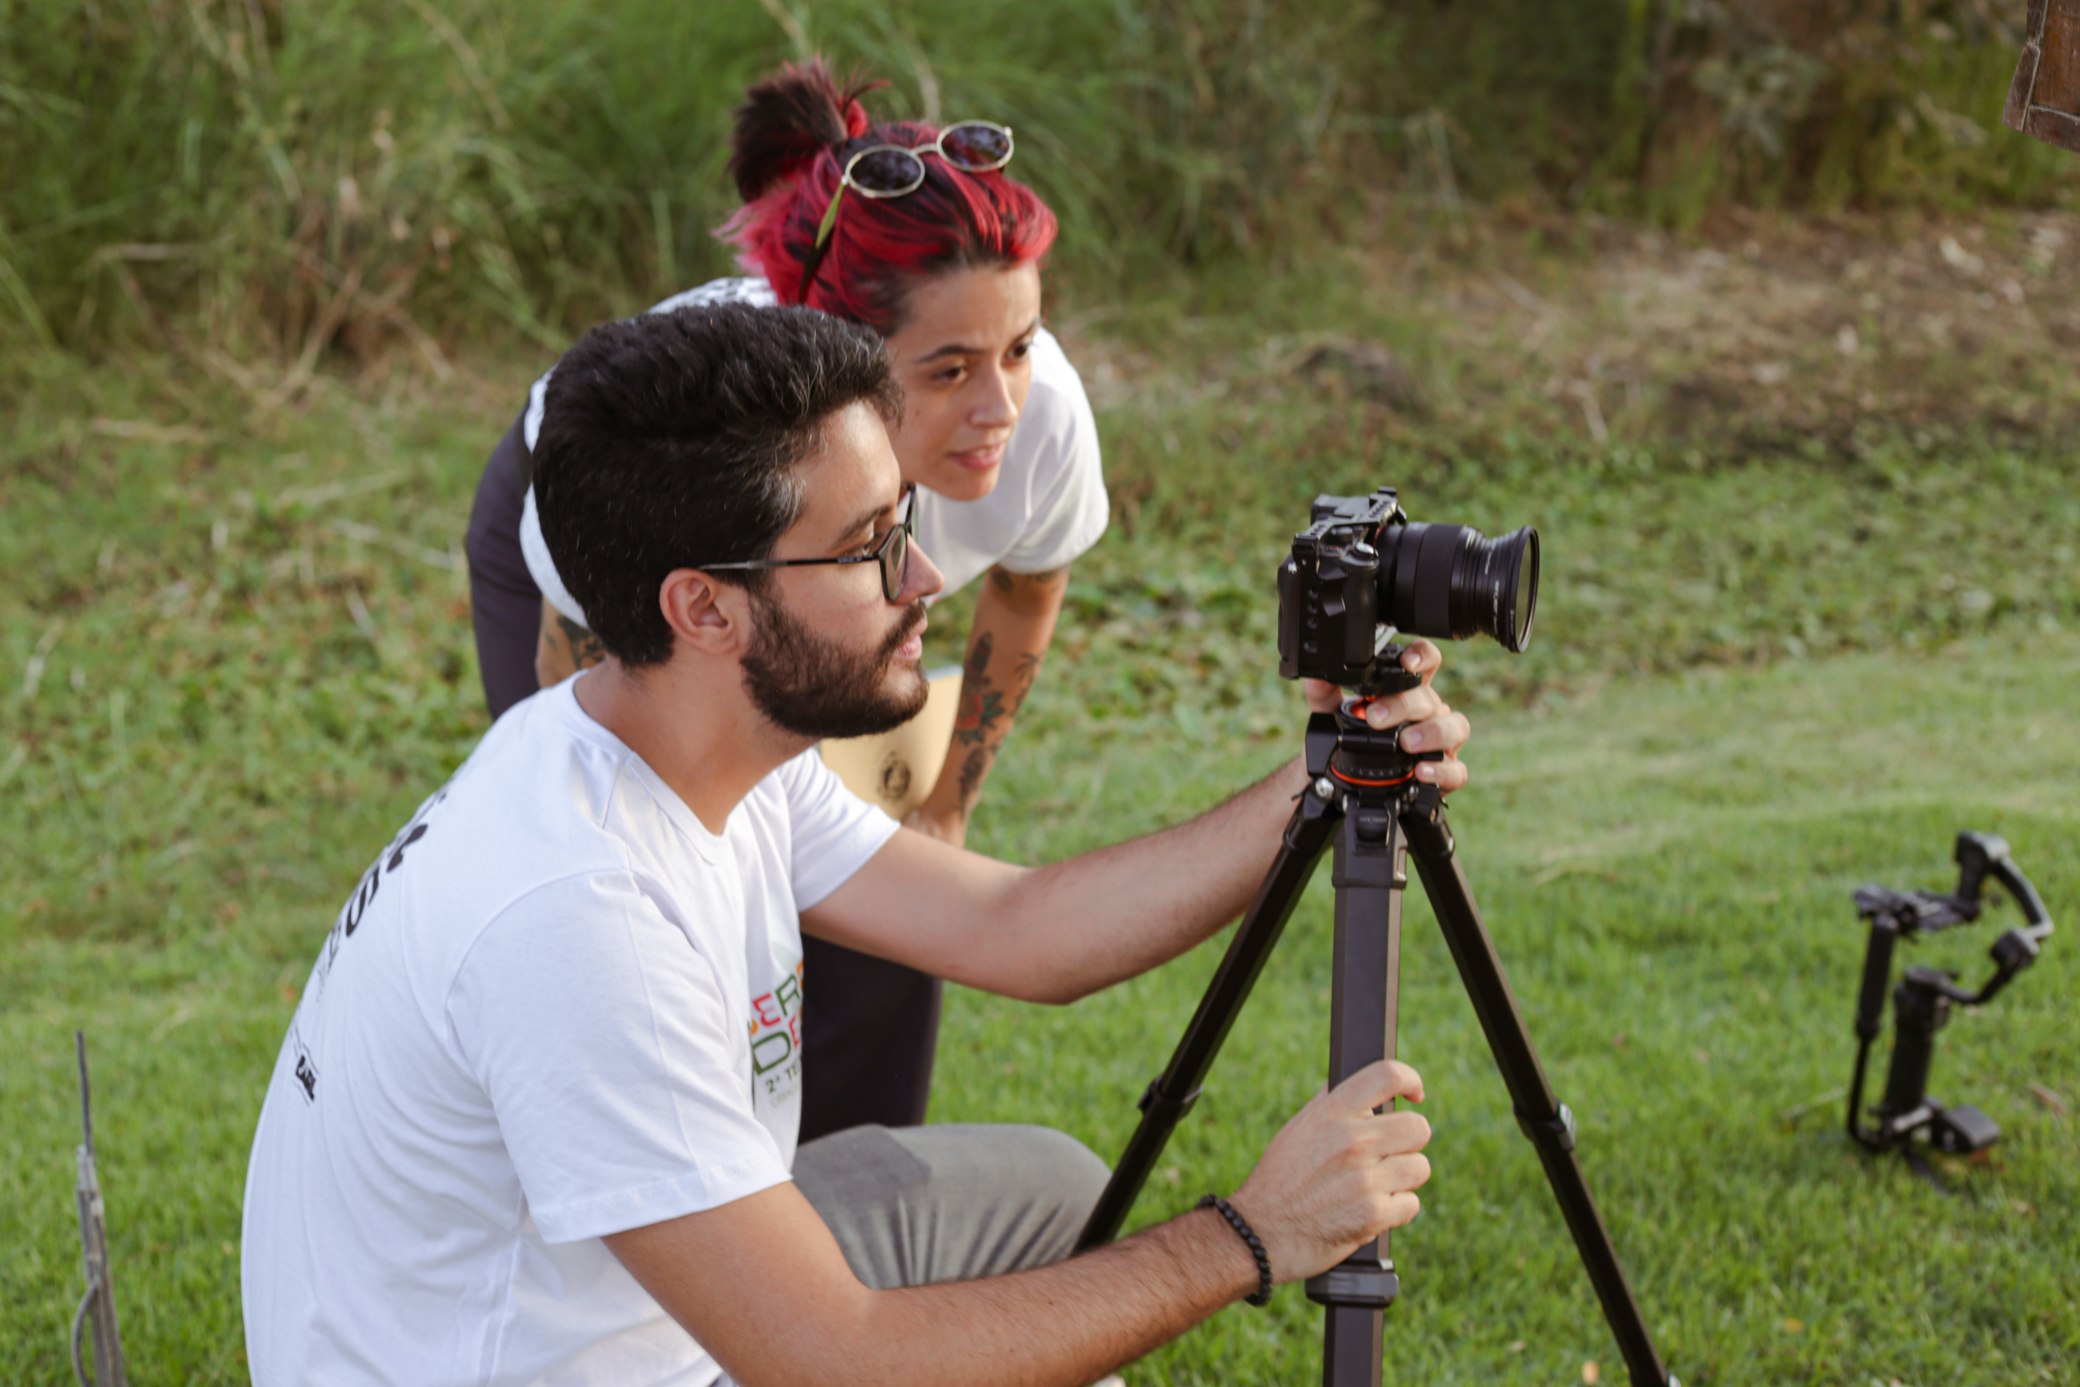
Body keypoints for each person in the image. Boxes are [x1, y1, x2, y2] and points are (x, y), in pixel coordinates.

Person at [247, 303, 1467, 1387]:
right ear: (704, 606)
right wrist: (1249, 1234)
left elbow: (1016, 928)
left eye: (906, 521)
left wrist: (1316, 781)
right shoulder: (579, 917)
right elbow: (831, 1360)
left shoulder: (690, 744)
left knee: (1050, 1194)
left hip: (637, 1325)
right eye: (870, 544)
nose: (925, 574)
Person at [465, 60, 1105, 1141]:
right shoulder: (695, 463)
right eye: (949, 370)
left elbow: (1029, 582)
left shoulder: (1037, 419)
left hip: (819, 572)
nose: (1001, 405)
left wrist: (947, 802)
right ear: (844, 358)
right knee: (648, 904)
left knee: (891, 898)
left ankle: (847, 1203)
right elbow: (585, 714)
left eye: (1019, 348)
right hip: (605, 542)